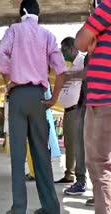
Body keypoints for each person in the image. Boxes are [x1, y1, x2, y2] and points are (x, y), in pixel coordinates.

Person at [0, 0, 67, 213]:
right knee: (41, 155)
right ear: (38, 13)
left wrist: (9, 81)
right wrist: (53, 99)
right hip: (38, 98)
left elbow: (0, 54)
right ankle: (51, 207)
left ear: (21, 13)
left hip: (17, 97)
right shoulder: (47, 35)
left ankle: (19, 209)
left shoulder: (14, 31)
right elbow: (61, 71)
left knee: (18, 158)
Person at [75, 1, 111, 209]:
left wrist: (89, 43)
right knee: (99, 165)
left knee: (100, 167)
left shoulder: (107, 6)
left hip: (104, 99)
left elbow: (80, 42)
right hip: (98, 101)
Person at [55, 38, 86, 194]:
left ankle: (80, 179)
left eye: (64, 49)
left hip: (77, 110)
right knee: (69, 144)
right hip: (68, 110)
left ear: (73, 49)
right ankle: (69, 174)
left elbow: (86, 75)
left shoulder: (82, 61)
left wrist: (70, 76)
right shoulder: (73, 65)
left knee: (77, 145)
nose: (62, 52)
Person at [26, 85, 61, 181]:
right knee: (32, 146)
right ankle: (34, 172)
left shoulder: (43, 83)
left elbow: (49, 101)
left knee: (41, 147)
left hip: (41, 118)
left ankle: (40, 173)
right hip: (34, 118)